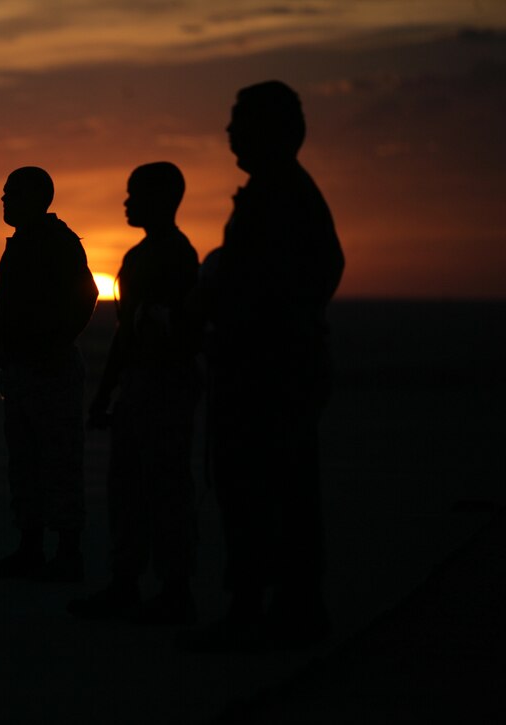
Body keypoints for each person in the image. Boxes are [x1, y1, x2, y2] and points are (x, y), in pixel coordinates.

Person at [183, 81, 345, 650]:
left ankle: (264, 610)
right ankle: (282, 606)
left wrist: (235, 313)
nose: (229, 132)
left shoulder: (282, 196)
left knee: (263, 491)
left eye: (240, 121)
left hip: (270, 373)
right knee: (271, 490)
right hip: (269, 366)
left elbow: (296, 279)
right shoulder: (276, 193)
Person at [67, 162, 200, 623]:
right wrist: (107, 393)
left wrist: (117, 388)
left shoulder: (178, 256)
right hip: (138, 388)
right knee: (126, 488)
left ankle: (174, 590)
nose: (126, 203)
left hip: (166, 387)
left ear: (161, 199)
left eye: (134, 194)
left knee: (165, 488)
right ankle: (127, 583)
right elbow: (126, 334)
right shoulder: (138, 256)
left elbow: (177, 330)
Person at [0, 166, 98, 582]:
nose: (4, 199)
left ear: (33, 198)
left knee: (59, 461)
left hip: (49, 370)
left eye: (11, 192)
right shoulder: (26, 242)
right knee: (26, 463)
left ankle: (67, 554)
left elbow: (86, 295)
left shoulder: (56, 242)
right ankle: (30, 549)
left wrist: (52, 345)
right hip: (23, 369)